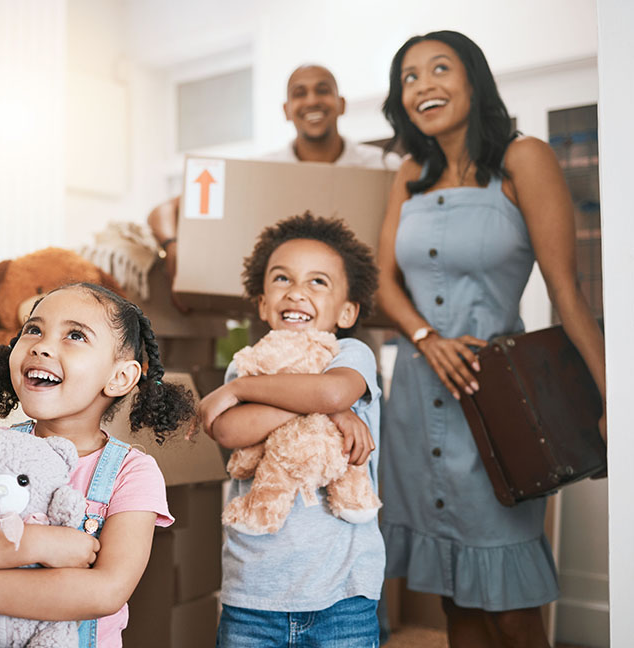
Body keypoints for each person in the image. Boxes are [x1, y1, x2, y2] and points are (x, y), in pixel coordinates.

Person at [375, 30, 606, 648]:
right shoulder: (409, 173)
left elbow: (567, 291)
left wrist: (613, 397)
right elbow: (384, 284)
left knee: (511, 601)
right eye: (410, 77)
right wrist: (425, 337)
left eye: (440, 69)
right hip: (418, 403)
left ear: (473, 80)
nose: (424, 85)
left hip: (496, 400)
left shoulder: (523, 159)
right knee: (454, 595)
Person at [0, 283, 195, 647]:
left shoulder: (131, 473)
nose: (40, 345)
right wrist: (39, 542)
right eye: (33, 329)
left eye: (75, 335)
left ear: (119, 377)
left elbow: (105, 591)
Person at [198, 212, 385, 648]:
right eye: (282, 279)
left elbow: (335, 389)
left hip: (343, 593)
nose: (297, 292)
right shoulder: (248, 360)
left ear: (347, 310)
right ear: (263, 303)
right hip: (253, 594)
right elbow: (230, 430)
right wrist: (323, 408)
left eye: (317, 282)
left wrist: (247, 391)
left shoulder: (350, 353)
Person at [147, 63, 401, 290]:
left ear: (341, 104)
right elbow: (164, 210)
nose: (312, 100)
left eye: (322, 90)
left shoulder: (383, 166)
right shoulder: (261, 171)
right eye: (299, 93)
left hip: (356, 321)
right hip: (274, 321)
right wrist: (172, 246)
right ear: (286, 110)